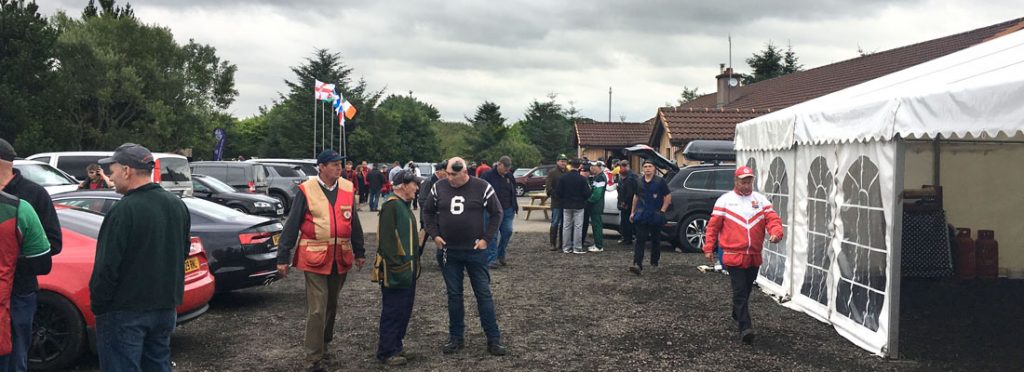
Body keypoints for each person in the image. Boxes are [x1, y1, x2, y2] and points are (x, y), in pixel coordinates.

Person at [90, 143, 190, 371]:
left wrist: (99, 305)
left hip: (125, 311)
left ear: (127, 171)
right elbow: (182, 252)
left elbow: (107, 266)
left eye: (113, 172)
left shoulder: (123, 210)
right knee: (158, 365)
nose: (111, 178)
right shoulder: (177, 205)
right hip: (165, 307)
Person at [277, 149, 367, 372]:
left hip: (340, 257)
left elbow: (353, 222)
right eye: (334, 165)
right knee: (317, 308)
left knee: (332, 306)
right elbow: (292, 224)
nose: (340, 168)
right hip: (314, 258)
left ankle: (324, 345)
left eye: (340, 164)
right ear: (322, 167)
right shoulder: (306, 190)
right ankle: (313, 358)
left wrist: (360, 250)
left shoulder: (347, 187)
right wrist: (283, 256)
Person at [422, 157, 507, 356]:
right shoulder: (438, 187)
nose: (448, 177)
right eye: (447, 173)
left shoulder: (481, 187)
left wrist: (486, 239)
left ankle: (493, 339)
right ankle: (456, 337)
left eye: (453, 174)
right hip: (448, 251)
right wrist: (434, 234)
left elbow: (497, 212)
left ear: (464, 172)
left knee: (483, 294)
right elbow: (427, 212)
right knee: (454, 295)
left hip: (475, 251)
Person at [703, 166, 783, 345]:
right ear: (736, 181)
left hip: (754, 255)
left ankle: (736, 312)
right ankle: (745, 328)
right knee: (740, 291)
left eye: (749, 182)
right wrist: (709, 248)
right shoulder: (725, 201)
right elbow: (713, 227)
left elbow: (773, 219)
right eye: (743, 182)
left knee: (746, 289)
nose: (747, 185)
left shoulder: (760, 200)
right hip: (733, 255)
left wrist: (776, 232)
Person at [0, 139, 61, 372]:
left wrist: (9, 262)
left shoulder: (33, 195)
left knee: (15, 355)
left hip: (20, 292)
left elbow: (53, 243)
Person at [373, 169, 423, 366]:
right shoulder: (391, 206)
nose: (417, 188)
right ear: (403, 185)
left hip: (407, 269)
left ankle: (397, 345)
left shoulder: (404, 205)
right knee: (393, 310)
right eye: (414, 184)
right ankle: (386, 351)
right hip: (397, 271)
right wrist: (397, 266)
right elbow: (385, 241)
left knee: (404, 309)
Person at [628, 160, 672, 275]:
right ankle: (637, 263)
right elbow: (636, 197)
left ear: (654, 168)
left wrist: (663, 210)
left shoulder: (660, 181)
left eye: (650, 166)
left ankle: (654, 260)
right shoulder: (638, 181)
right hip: (642, 214)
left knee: (656, 239)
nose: (647, 168)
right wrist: (632, 212)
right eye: (645, 166)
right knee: (640, 239)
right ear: (643, 168)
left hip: (655, 214)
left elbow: (668, 196)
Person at [480, 156, 518, 268]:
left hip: (507, 209)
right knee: (493, 235)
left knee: (508, 231)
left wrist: (514, 206)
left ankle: (501, 254)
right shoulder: (487, 176)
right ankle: (491, 259)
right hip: (492, 210)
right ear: (499, 164)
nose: (506, 172)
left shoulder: (509, 176)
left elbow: (513, 192)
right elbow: (481, 192)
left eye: (508, 170)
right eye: (505, 169)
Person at [555, 159, 591, 254]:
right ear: (580, 166)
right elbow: (587, 193)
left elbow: (558, 192)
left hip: (566, 205)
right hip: (579, 205)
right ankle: (577, 247)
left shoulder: (563, 178)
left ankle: (566, 247)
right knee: (578, 227)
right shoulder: (582, 179)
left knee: (566, 226)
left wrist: (563, 199)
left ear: (570, 166)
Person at [418, 161, 447, 268]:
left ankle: (443, 261)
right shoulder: (429, 181)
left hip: (440, 219)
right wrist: (434, 208)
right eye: (446, 171)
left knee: (441, 240)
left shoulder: (444, 182)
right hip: (427, 218)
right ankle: (415, 259)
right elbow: (422, 200)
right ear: (440, 171)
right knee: (421, 241)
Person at [544, 154, 568, 250]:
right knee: (555, 223)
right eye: (561, 161)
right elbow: (548, 187)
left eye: (565, 161)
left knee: (564, 224)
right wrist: (555, 195)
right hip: (556, 202)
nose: (563, 163)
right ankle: (552, 243)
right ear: (557, 162)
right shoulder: (552, 172)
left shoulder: (567, 172)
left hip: (566, 202)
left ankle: (562, 243)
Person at [615, 161, 638, 245]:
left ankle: (628, 238)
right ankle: (626, 237)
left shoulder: (631, 178)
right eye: (621, 166)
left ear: (628, 165)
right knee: (625, 221)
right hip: (625, 202)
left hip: (628, 203)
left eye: (624, 165)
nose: (622, 167)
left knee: (627, 221)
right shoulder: (626, 176)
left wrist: (624, 202)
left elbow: (630, 193)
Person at [586, 161, 607, 252]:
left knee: (597, 225)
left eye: (593, 166)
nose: (592, 168)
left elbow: (597, 194)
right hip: (596, 205)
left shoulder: (600, 178)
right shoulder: (597, 177)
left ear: (599, 167)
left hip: (596, 205)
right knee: (595, 225)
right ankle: (597, 244)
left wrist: (588, 201)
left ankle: (599, 246)